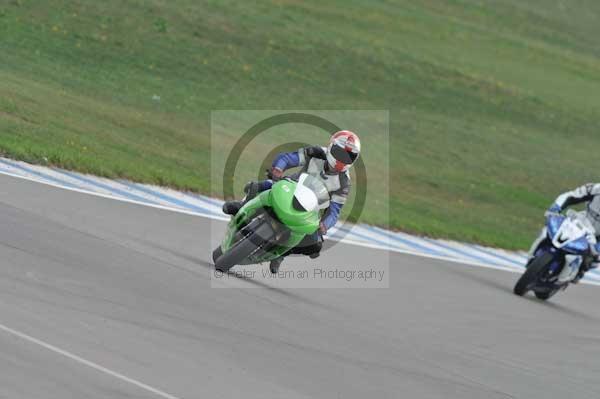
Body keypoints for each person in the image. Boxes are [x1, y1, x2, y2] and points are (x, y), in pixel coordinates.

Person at [222, 130, 361, 274]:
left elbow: (334, 211)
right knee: (260, 186)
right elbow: (288, 158)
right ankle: (242, 206)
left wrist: (324, 225)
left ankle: (282, 253)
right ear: (331, 146)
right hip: (292, 188)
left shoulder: (344, 182)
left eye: (349, 156)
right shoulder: (316, 152)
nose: (342, 159)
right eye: (340, 152)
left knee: (315, 246)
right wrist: (278, 168)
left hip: (310, 209)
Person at [531, 183, 600, 283]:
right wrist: (555, 208)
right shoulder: (595, 188)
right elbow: (570, 195)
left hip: (597, 236)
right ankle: (538, 251)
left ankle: (580, 271)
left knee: (595, 257)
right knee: (551, 228)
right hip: (582, 221)